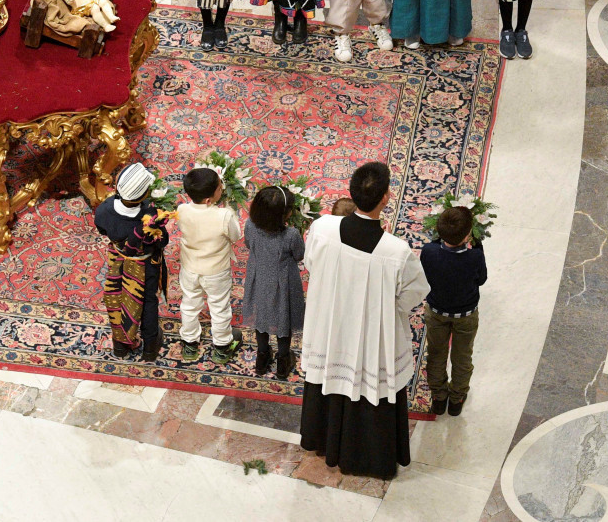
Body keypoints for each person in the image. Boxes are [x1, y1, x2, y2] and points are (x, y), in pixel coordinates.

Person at [299, 161, 429, 479]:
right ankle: (367, 457)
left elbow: (311, 266)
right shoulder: (398, 253)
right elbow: (413, 295)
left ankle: (324, 441)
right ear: (386, 198)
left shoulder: (322, 229)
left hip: (329, 327)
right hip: (371, 339)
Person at [95, 163, 170, 362]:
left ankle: (120, 345)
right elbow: (162, 241)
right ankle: (150, 347)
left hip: (118, 260)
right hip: (146, 266)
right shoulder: (149, 217)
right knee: (148, 301)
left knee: (116, 296)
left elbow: (102, 230)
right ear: (143, 196)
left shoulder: (103, 209)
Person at [419, 206, 487, 417]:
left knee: (437, 354)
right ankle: (457, 398)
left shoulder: (429, 252)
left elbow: (425, 275)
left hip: (437, 311)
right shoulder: (474, 256)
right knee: (462, 356)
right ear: (468, 234)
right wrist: (479, 246)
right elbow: (481, 279)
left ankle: (439, 397)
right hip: (465, 315)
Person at [176, 167, 242, 363]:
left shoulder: (182, 209)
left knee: (189, 304)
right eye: (220, 187)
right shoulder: (224, 216)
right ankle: (221, 346)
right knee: (219, 306)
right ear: (209, 199)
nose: (221, 189)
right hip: (216, 271)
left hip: (189, 267)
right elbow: (236, 236)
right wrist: (230, 210)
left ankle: (189, 344)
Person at [241, 185, 306, 379]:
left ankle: (262, 358)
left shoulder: (250, 225)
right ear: (285, 215)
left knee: (261, 317)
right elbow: (299, 254)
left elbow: (248, 244)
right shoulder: (291, 235)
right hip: (283, 283)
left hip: (258, 277)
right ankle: (283, 361)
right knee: (283, 319)